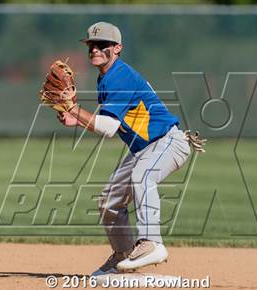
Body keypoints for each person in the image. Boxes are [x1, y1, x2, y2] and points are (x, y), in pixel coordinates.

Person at [57, 21, 200, 276]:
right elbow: (112, 123)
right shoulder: (106, 78)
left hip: (168, 142)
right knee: (110, 201)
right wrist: (75, 118)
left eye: (103, 45)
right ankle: (123, 256)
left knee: (143, 176)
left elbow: (109, 128)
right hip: (144, 150)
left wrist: (74, 110)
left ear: (118, 47)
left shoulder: (120, 76)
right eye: (91, 45)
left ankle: (151, 243)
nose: (95, 49)